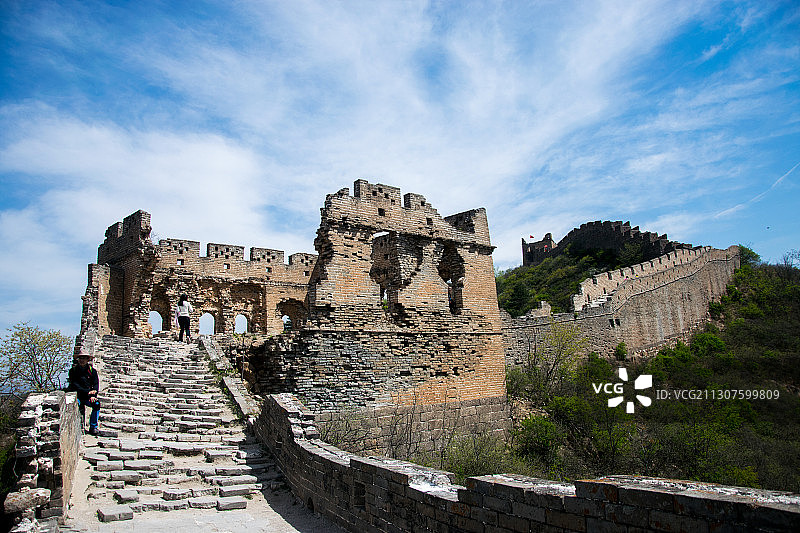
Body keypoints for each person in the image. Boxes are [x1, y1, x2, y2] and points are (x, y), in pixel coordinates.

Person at [68, 349, 100, 435]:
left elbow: (96, 384)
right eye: (81, 358)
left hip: (88, 397)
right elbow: (74, 385)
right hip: (77, 396)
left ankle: (93, 427)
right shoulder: (73, 371)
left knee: (96, 404)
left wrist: (93, 395)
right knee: (75, 406)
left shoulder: (92, 371)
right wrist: (88, 392)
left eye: (84, 358)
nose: (82, 360)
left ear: (87, 360)